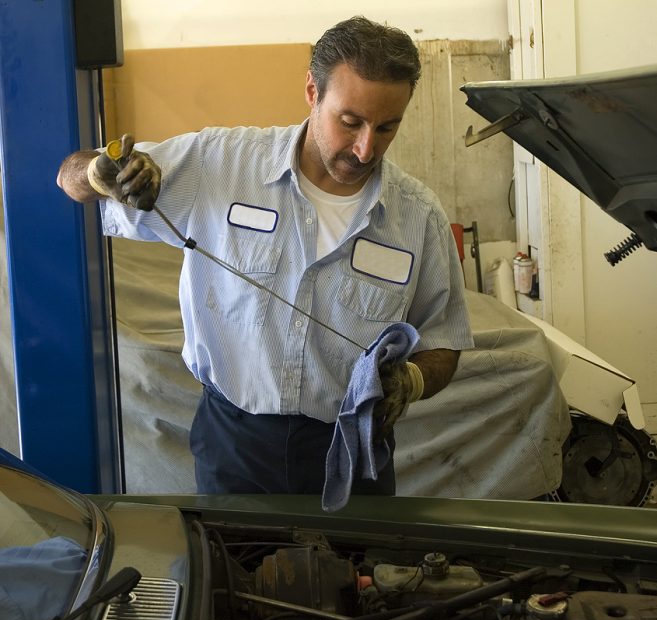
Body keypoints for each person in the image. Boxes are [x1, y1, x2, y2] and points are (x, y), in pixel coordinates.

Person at [57, 16, 474, 497]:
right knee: (232, 573)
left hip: (355, 454)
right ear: (313, 93)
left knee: (363, 574)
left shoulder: (418, 218)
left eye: (386, 127)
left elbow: (443, 339)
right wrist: (99, 174)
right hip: (235, 447)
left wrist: (414, 381)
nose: (365, 148)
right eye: (351, 122)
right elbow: (67, 177)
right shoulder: (220, 165)